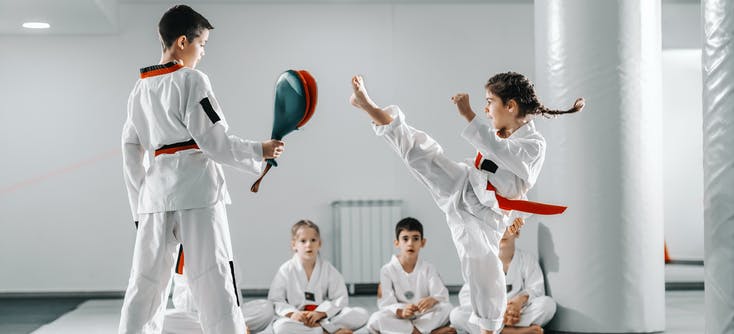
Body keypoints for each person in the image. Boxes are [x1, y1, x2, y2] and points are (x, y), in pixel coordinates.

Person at [348, 73, 582, 334]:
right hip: (464, 184)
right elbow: (497, 158)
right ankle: (369, 107)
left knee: (483, 266)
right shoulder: (501, 133)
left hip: (484, 218)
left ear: (511, 106)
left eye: (490, 101)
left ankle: (490, 331)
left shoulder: (534, 144)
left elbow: (511, 168)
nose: (485, 108)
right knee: (420, 154)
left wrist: (470, 115)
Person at [119, 5, 284, 333]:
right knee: (214, 278)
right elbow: (215, 143)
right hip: (196, 192)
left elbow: (130, 149)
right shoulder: (192, 80)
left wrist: (140, 205)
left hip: (154, 198)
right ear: (183, 41)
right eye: (203, 44)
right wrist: (259, 151)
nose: (203, 52)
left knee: (145, 283)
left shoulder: (139, 89)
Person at [268, 220, 369, 334]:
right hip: (298, 319)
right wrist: (292, 313)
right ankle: (329, 331)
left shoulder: (328, 269)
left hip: (323, 318)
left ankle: (320, 329)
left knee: (361, 314)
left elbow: (340, 297)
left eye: (313, 240)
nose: (309, 245)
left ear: (319, 243)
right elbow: (275, 299)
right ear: (294, 245)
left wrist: (321, 313)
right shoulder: (286, 270)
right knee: (281, 328)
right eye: (303, 241)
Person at [450, 228, 556, 334]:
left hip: (517, 314)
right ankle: (515, 332)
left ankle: (502, 331)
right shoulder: (482, 262)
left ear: (517, 232)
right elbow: (466, 296)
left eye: (506, 228)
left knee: (548, 305)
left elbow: (536, 289)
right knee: (456, 315)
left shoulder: (527, 259)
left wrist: (519, 301)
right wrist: (495, 311)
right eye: (497, 229)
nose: (502, 233)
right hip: (491, 316)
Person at [367, 217, 455, 334]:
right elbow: (386, 303)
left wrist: (432, 300)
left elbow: (441, 295)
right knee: (375, 320)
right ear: (397, 243)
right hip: (400, 317)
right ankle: (428, 332)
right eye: (405, 239)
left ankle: (412, 331)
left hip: (423, 315)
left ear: (422, 242)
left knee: (448, 309)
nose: (410, 243)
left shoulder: (428, 268)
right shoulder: (387, 270)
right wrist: (401, 311)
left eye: (415, 239)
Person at [162, 246, 275, 333]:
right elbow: (181, 301)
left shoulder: (223, 245)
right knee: (163, 320)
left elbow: (235, 283)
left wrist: (234, 317)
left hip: (228, 314)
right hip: (197, 317)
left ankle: (226, 329)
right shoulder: (181, 251)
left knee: (266, 309)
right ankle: (230, 330)